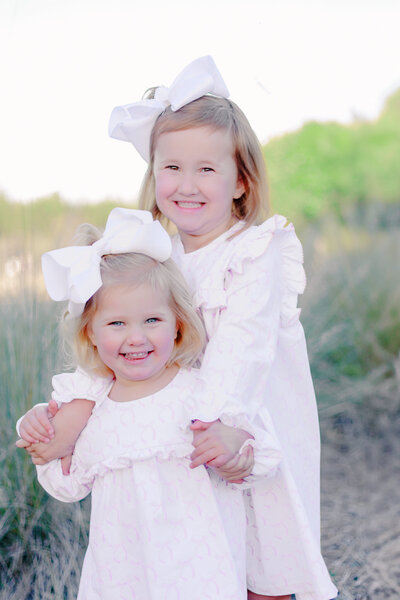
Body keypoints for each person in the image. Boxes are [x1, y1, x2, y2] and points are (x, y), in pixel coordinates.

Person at [18, 57, 338, 599]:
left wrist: (228, 423)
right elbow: (119, 348)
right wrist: (66, 415)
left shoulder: (255, 250)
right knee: (211, 548)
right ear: (153, 174)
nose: (186, 185)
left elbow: (245, 347)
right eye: (172, 168)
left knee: (267, 550)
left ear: (241, 181)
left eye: (207, 170)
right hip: (183, 434)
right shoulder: (156, 258)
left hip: (250, 415)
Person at [22, 207, 281, 600]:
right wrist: (39, 425)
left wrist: (235, 455)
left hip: (198, 568)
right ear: (90, 333)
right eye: (116, 324)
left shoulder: (201, 393)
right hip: (123, 576)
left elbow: (257, 452)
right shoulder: (92, 410)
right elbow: (66, 484)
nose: (136, 338)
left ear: (178, 322)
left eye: (152, 321)